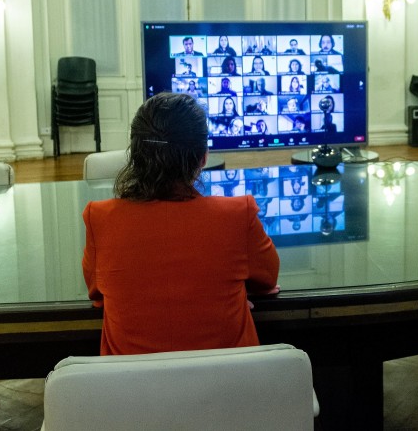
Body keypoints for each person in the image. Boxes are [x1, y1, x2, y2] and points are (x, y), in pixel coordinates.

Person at [81, 92, 279, 355]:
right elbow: (266, 281)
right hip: (228, 390)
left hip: (130, 393)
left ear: (135, 156)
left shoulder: (100, 218)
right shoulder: (238, 215)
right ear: (203, 158)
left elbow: (97, 293)